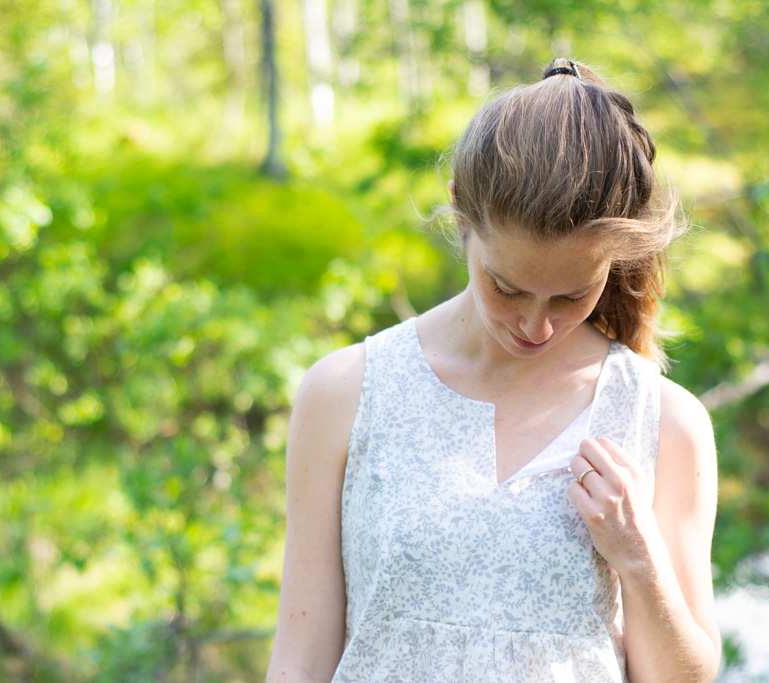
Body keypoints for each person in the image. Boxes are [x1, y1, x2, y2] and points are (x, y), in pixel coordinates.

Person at [266, 58, 721, 682]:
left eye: (570, 296)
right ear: (459, 212)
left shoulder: (665, 420)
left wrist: (640, 559)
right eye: (507, 288)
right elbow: (300, 660)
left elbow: (684, 677)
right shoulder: (346, 392)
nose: (536, 327)